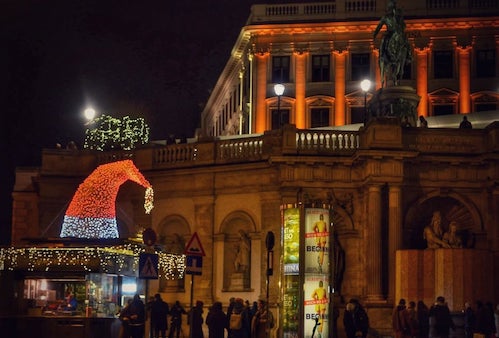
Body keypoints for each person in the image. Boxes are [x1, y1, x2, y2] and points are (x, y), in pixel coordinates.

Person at [373, 0, 411, 87]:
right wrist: (375, 34)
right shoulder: (385, 17)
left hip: (397, 33)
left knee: (405, 43)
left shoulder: (397, 16)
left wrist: (399, 19)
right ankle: (382, 55)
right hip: (389, 33)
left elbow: (403, 26)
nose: (392, 9)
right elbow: (379, 26)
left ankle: (408, 55)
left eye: (393, 7)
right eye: (391, 7)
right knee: (384, 41)